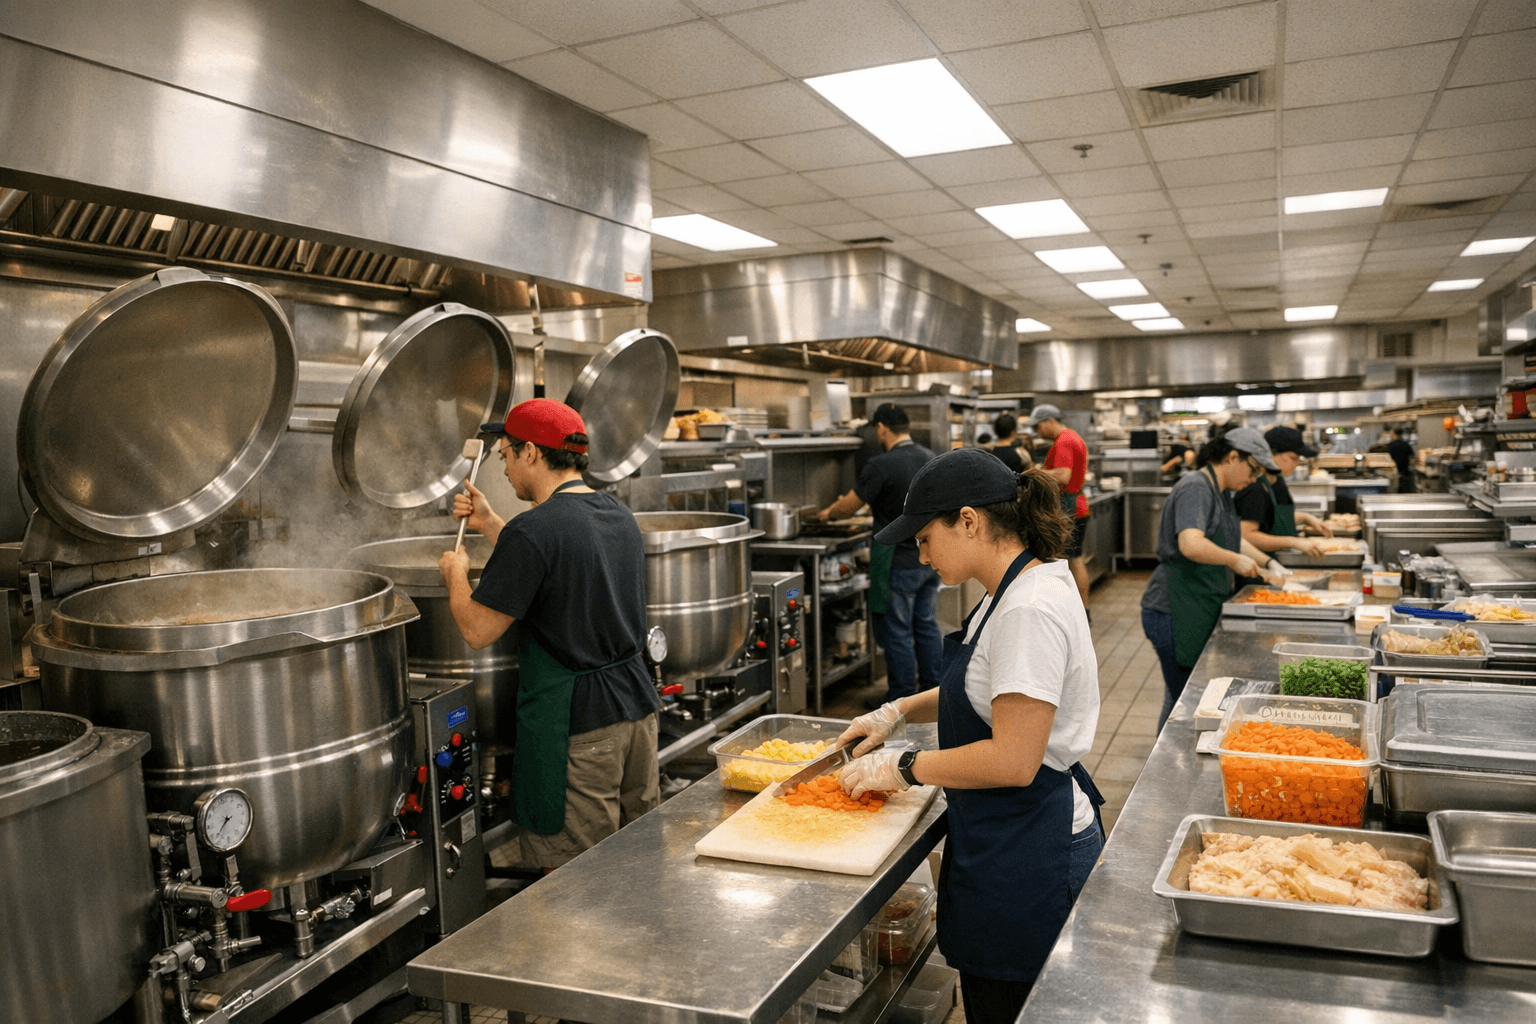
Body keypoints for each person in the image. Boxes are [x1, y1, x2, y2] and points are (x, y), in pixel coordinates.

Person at [834, 448, 1105, 1024]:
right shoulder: (1008, 591)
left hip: (1033, 846)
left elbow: (1013, 760)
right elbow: (984, 688)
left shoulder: (1029, 609)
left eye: (925, 537)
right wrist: (898, 710)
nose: (920, 553)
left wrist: (901, 767)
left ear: (969, 520)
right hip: (1005, 833)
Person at [437, 398, 660, 868]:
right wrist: (490, 522)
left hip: (578, 727)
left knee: (580, 881)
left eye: (506, 457)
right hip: (636, 713)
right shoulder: (616, 514)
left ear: (531, 453)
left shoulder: (535, 530)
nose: (506, 469)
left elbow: (477, 630)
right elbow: (554, 565)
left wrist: (456, 574)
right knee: (637, 860)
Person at [1140, 427, 1285, 729]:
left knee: (1182, 694)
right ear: (1233, 457)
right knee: (1184, 698)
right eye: (1254, 469)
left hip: (1196, 603)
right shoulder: (1197, 487)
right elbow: (1190, 543)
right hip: (1174, 609)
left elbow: (1231, 539)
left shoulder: (1221, 493)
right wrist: (1235, 561)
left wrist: (1269, 562)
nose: (1256, 478)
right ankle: (1169, 761)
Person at [819, 403, 942, 707]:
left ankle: (900, 701)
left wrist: (827, 513)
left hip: (896, 563)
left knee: (897, 632)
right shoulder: (931, 459)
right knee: (925, 625)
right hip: (931, 556)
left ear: (882, 428)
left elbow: (849, 506)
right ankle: (933, 696)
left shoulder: (881, 464)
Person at [1027, 404, 1091, 610]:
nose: (1037, 432)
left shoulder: (1064, 441)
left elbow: (1064, 475)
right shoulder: (1071, 437)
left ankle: (1077, 610)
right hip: (1076, 504)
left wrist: (1036, 472)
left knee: (1069, 561)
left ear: (1049, 421)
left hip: (1069, 506)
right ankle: (1082, 610)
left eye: (1038, 427)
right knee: (1075, 559)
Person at [1235, 426, 1333, 559]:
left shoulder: (1277, 481)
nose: (1296, 463)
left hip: (1280, 558)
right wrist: (1293, 542)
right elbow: (1247, 535)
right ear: (1271, 455)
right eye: (1293, 458)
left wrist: (1306, 518)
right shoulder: (1254, 487)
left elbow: (1273, 519)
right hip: (1257, 565)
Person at [1387, 428, 1416, 493]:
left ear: (1393, 434)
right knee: (1405, 493)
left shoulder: (1389, 445)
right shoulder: (1406, 445)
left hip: (1393, 473)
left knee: (1394, 492)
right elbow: (1412, 458)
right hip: (1405, 473)